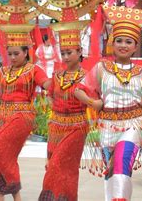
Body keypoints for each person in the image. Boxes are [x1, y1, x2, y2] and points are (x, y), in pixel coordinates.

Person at [75, 5, 142, 201]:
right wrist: (93, 103)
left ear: (136, 46)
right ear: (112, 43)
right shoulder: (102, 68)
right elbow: (78, 90)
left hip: (133, 124)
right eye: (119, 41)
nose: (123, 45)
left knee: (120, 163)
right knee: (112, 172)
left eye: (129, 42)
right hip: (107, 126)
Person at [39, 21, 103, 200]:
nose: (66, 57)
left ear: (80, 52)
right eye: (63, 53)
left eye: (70, 52)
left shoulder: (88, 76)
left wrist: (89, 102)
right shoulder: (57, 75)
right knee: (55, 164)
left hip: (77, 126)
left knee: (60, 163)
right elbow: (51, 94)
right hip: (55, 126)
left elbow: (97, 100)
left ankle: (50, 197)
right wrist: (53, 105)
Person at [0, 28, 50, 201]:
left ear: (25, 52)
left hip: (22, 115)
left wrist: (60, 81)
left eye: (16, 53)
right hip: (3, 114)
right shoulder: (2, 72)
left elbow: (46, 84)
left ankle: (15, 194)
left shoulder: (34, 70)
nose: (12, 58)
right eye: (10, 54)